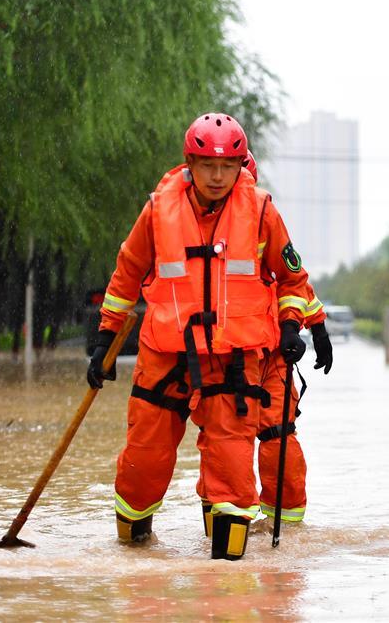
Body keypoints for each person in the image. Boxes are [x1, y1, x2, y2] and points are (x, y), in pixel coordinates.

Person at [87, 112, 313, 560]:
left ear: (239, 166)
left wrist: (292, 326)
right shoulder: (158, 209)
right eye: (207, 165)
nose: (217, 176)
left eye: (227, 167)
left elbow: (291, 280)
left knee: (231, 468)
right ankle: (133, 560)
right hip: (165, 353)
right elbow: (126, 276)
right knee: (142, 461)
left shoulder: (262, 210)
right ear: (189, 162)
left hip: (234, 359)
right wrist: (104, 343)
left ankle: (229, 582)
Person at [246, 151, 333, 524]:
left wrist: (317, 328)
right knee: (223, 441)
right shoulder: (191, 228)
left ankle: (286, 530)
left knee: (279, 435)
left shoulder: (265, 220)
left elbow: (293, 281)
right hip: (226, 353)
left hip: (273, 350)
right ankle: (223, 527)